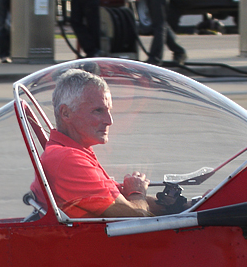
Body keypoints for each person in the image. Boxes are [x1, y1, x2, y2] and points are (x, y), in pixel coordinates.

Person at [31, 69, 170, 218]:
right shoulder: (68, 159)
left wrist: (175, 205)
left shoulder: (75, 152)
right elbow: (136, 216)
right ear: (66, 113)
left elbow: (119, 202)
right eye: (98, 111)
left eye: (108, 110)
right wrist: (137, 192)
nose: (109, 121)